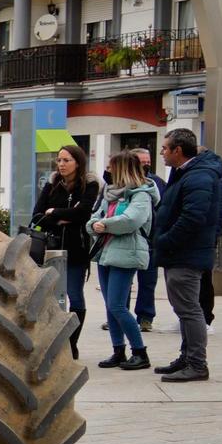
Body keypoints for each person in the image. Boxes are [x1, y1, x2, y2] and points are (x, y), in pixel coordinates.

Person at [150, 127, 222, 383]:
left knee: (190, 310)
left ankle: (196, 363)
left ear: (178, 151)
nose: (162, 152)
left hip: (186, 253)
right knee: (184, 309)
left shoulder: (199, 177)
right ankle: (186, 357)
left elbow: (193, 217)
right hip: (179, 253)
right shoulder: (186, 173)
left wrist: (165, 241)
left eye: (165, 148)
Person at [88, 152, 158, 371]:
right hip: (105, 252)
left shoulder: (141, 194)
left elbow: (132, 220)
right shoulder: (110, 192)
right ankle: (118, 351)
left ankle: (140, 352)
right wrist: (96, 225)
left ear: (123, 168)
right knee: (111, 306)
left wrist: (104, 225)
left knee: (118, 305)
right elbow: (93, 219)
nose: (108, 170)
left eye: (111, 166)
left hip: (126, 253)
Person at [31, 144, 99, 359]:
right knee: (49, 298)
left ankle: (72, 343)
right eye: (59, 160)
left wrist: (56, 212)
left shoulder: (89, 184)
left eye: (66, 160)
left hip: (76, 249)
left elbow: (83, 213)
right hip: (50, 249)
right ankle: (51, 341)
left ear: (77, 162)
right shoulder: (52, 184)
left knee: (75, 297)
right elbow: (37, 215)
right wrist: (59, 217)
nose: (61, 164)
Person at [128, 147, 162, 332]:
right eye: (142, 161)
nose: (147, 164)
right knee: (123, 281)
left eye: (148, 161)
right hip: (126, 241)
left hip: (150, 240)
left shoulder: (156, 183)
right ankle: (120, 315)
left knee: (148, 281)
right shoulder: (122, 183)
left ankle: (145, 317)